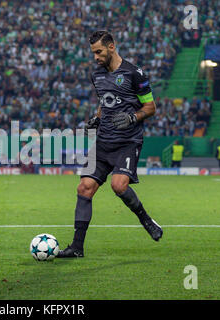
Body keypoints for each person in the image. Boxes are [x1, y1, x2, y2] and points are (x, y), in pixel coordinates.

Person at [58, 31, 163, 258]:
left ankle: (146, 219)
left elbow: (151, 107)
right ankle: (77, 247)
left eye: (99, 52)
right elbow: (104, 101)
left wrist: (132, 117)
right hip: (103, 142)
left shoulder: (134, 73)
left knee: (119, 185)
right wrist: (97, 118)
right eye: (93, 53)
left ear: (112, 47)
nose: (95, 57)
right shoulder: (96, 75)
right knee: (84, 188)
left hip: (128, 141)